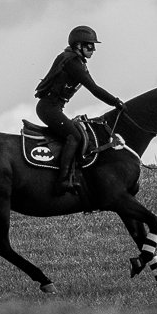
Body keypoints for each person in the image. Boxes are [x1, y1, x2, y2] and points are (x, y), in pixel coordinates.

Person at [34, 26, 124, 194]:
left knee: (79, 133)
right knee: (74, 136)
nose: (94, 49)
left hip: (54, 108)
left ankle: (73, 173)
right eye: (90, 45)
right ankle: (62, 180)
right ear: (78, 46)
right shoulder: (72, 62)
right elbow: (94, 89)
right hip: (49, 108)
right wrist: (116, 102)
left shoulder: (77, 61)